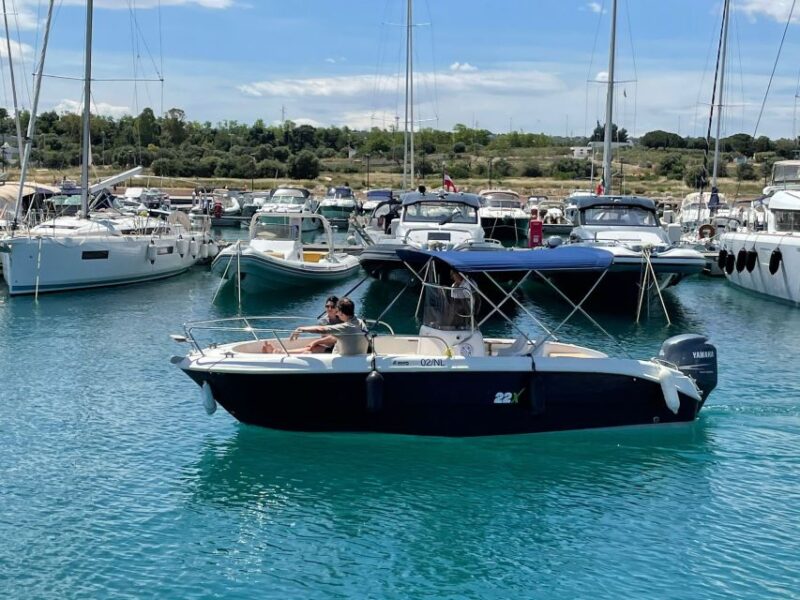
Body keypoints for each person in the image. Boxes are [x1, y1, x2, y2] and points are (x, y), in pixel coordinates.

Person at [262, 297, 368, 355]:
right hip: (353, 356)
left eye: (337, 311)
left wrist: (301, 329)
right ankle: (280, 352)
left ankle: (279, 352)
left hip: (339, 360)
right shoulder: (360, 322)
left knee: (311, 351)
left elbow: (320, 329)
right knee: (312, 349)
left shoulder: (346, 327)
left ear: (340, 313)